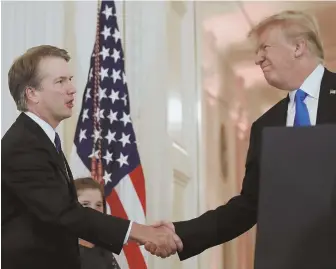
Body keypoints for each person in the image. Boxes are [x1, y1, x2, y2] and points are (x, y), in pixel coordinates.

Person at [146, 10, 336, 259]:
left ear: (298, 46)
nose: (258, 59)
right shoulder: (265, 125)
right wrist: (182, 233)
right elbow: (249, 205)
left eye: (264, 47)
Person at [1, 45, 182, 269]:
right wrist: (139, 231)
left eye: (70, 79)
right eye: (60, 81)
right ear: (32, 93)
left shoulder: (39, 139)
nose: (72, 89)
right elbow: (64, 213)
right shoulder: (23, 145)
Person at [74, 177, 121, 269]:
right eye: (85, 204)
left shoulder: (102, 247)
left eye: (98, 205)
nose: (93, 210)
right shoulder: (61, 249)